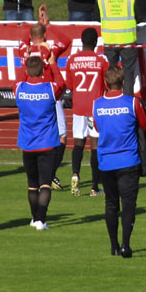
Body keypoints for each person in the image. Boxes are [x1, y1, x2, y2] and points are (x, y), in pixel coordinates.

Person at [92, 66, 146, 257]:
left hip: (106, 162)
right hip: (128, 161)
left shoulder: (97, 104)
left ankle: (114, 246)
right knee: (128, 204)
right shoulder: (132, 102)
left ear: (106, 84)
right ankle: (125, 244)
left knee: (110, 204)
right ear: (123, 83)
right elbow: (144, 124)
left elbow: (99, 129)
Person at [15, 55, 65, 230]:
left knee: (32, 184)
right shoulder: (50, 89)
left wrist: (25, 62)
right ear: (43, 70)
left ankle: (35, 218)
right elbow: (61, 83)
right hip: (47, 143)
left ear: (27, 70)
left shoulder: (20, 89)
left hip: (28, 144)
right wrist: (52, 63)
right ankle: (41, 220)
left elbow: (20, 78)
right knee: (45, 183)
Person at [64, 28, 108, 196]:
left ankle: (75, 173)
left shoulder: (71, 60)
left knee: (78, 144)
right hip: (95, 107)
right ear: (96, 43)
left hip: (79, 107)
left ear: (81, 42)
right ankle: (94, 187)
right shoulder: (101, 60)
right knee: (95, 146)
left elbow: (70, 85)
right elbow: (107, 82)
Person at [96, 0, 140, 96]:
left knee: (111, 74)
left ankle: (112, 99)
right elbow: (141, 15)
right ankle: (127, 102)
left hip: (109, 40)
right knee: (128, 74)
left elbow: (97, 17)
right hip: (128, 40)